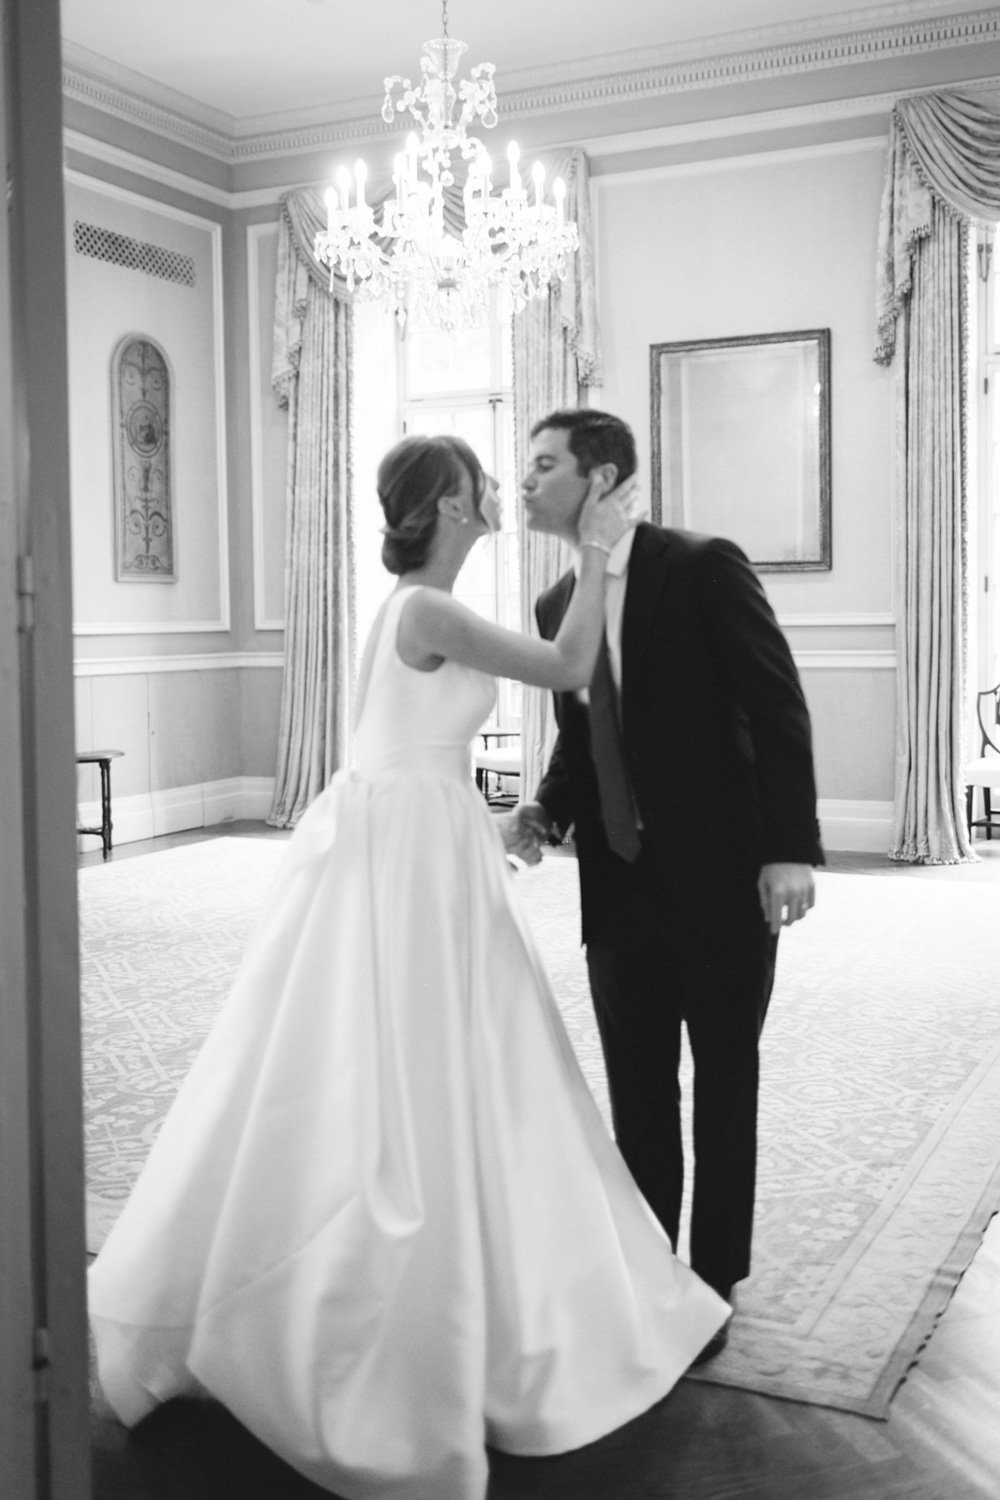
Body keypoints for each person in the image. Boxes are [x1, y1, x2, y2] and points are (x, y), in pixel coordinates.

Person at [88, 433, 728, 1500]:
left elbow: (430, 741)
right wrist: (599, 547)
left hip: (428, 839)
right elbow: (572, 668)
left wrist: (505, 820)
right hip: (407, 858)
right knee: (405, 1059)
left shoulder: (422, 609)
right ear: (446, 506)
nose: (499, 489)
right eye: (481, 481)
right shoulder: (424, 610)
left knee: (461, 1060)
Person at [506, 409, 824, 1358]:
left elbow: (777, 706)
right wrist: (548, 807)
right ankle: (649, 1273)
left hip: (722, 877)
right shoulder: (556, 602)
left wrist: (789, 848)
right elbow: (585, 730)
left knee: (724, 1081)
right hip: (618, 886)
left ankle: (713, 1281)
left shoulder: (700, 566)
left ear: (601, 477)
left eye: (545, 464)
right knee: (638, 1093)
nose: (526, 481)